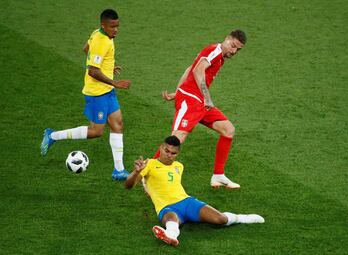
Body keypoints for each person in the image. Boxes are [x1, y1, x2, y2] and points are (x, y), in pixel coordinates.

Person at [40, 9, 131, 180]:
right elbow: (92, 71)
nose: (116, 30)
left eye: (117, 26)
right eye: (112, 27)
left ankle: (118, 170)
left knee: (117, 124)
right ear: (103, 25)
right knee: (96, 131)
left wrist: (108, 67)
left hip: (106, 91)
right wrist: (114, 82)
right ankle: (52, 135)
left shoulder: (98, 34)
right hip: (97, 92)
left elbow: (86, 49)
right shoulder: (101, 41)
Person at [125, 136, 264, 247]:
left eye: (173, 153)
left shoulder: (179, 166)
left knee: (220, 219)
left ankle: (243, 218)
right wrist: (136, 172)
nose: (169, 155)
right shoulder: (149, 164)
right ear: (161, 148)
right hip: (166, 207)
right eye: (166, 151)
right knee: (171, 219)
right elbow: (128, 185)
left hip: (187, 202)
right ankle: (171, 235)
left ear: (177, 153)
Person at [155, 29, 247, 189]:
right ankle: (148, 173)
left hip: (199, 101)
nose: (233, 51)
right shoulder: (215, 51)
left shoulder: (219, 58)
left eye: (237, 49)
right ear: (227, 39)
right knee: (176, 140)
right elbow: (198, 70)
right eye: (232, 45)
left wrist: (176, 93)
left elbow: (190, 68)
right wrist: (206, 96)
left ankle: (218, 175)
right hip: (192, 100)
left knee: (228, 130)